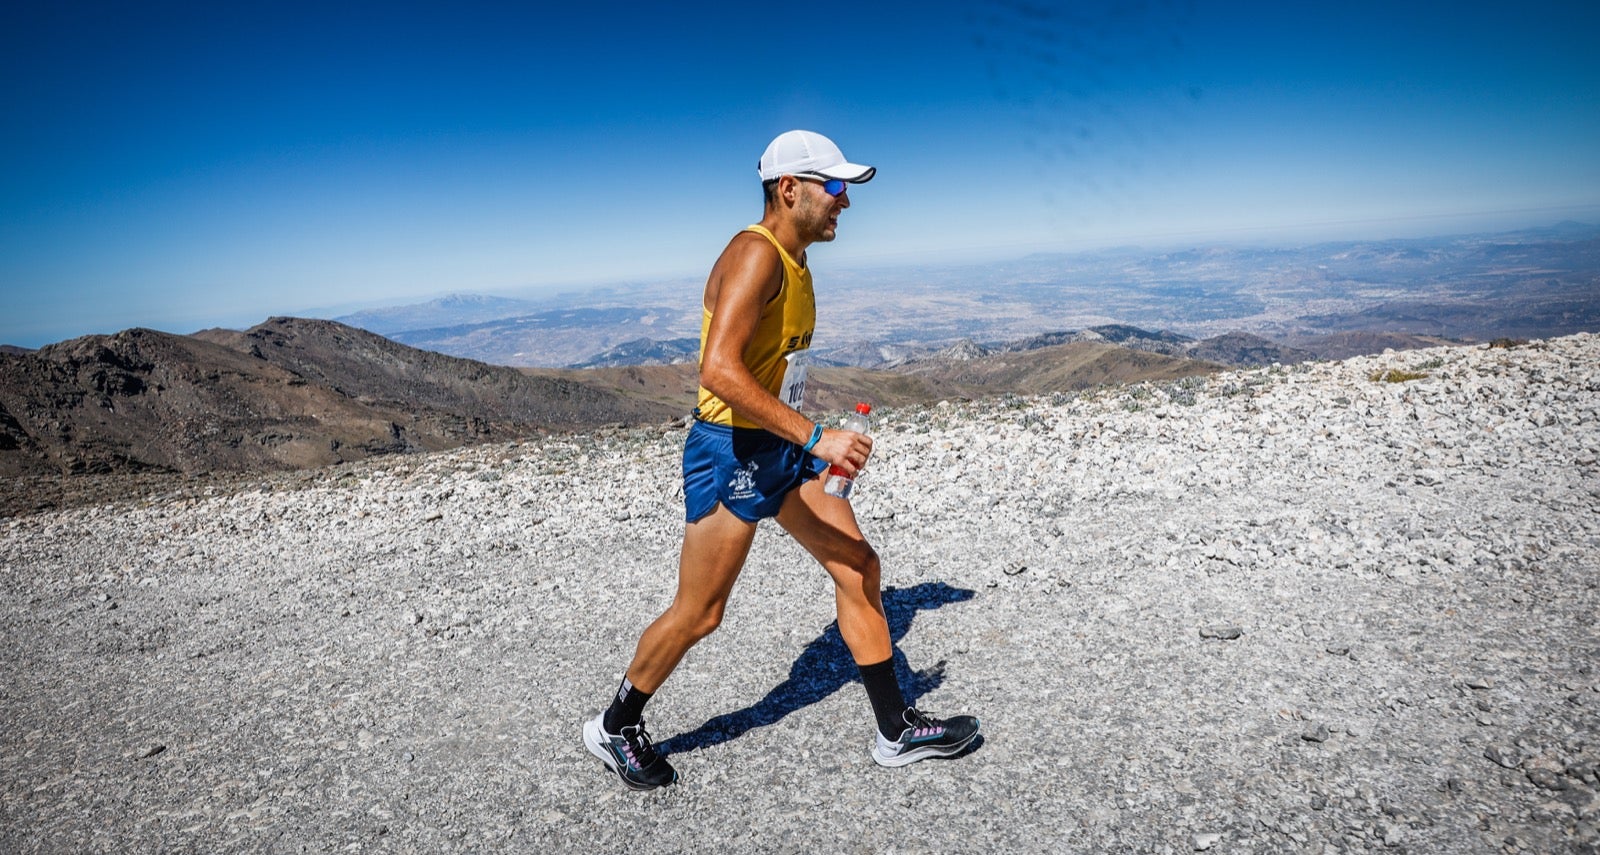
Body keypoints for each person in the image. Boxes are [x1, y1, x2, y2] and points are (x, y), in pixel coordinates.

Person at [582, 130, 979, 790]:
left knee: (858, 563)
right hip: (728, 451)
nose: (844, 201)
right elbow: (719, 370)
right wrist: (817, 434)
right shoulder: (754, 255)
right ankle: (615, 724)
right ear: (788, 189)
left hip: (781, 449)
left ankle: (896, 729)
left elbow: (772, 371)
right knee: (700, 612)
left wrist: (809, 444)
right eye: (835, 187)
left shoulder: (795, 261)